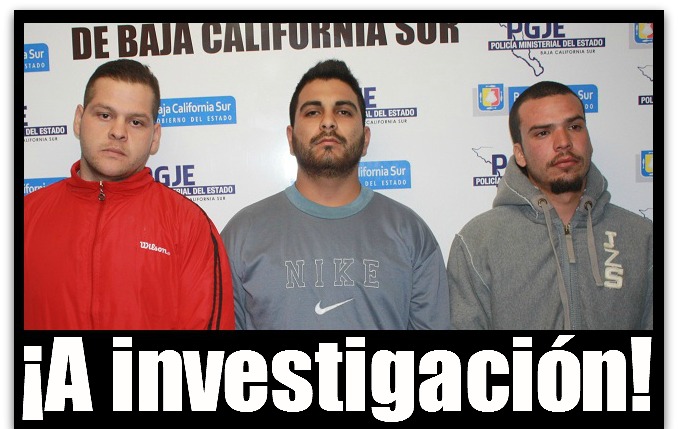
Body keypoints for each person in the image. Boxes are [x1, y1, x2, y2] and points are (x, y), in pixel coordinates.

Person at [221, 59, 451, 330]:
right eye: (312, 112)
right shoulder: (243, 234)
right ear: (290, 138)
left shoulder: (410, 233)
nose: (328, 122)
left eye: (343, 112)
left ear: (365, 139)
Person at [24, 59, 235, 330]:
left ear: (155, 137)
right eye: (105, 115)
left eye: (136, 122)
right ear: (78, 120)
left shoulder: (189, 226)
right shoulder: (27, 215)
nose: (118, 132)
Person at [447, 81, 653, 330]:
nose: (563, 142)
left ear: (588, 139)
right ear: (520, 154)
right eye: (543, 133)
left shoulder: (642, 238)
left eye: (574, 127)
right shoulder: (478, 242)